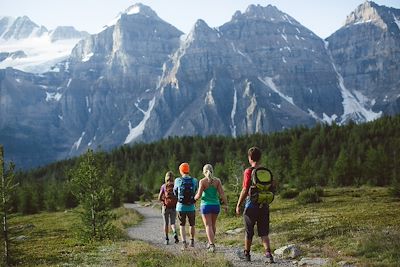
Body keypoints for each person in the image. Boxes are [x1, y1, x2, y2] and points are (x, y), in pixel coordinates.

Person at [235, 146, 275, 263]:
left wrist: (238, 205)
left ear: (249, 158)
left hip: (251, 205)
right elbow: (273, 185)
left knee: (249, 231)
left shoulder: (248, 171)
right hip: (264, 205)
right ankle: (268, 254)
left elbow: (245, 189)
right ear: (260, 157)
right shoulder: (266, 171)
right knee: (264, 232)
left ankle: (247, 254)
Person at [194, 164, 228, 253]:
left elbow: (199, 195)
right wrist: (226, 204)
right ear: (212, 171)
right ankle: (210, 243)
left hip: (205, 206)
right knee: (213, 225)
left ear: (203, 172)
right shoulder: (217, 181)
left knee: (208, 225)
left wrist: (194, 198)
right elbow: (222, 194)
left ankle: (212, 245)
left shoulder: (202, 181)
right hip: (216, 205)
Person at [174, 162, 198, 250]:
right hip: (191, 206)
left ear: (181, 171)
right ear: (188, 170)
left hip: (180, 206)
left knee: (182, 225)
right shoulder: (194, 180)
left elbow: (175, 192)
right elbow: (196, 191)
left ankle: (184, 244)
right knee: (192, 224)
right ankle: (192, 241)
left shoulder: (177, 180)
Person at [158, 171, 179, 245]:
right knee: (173, 223)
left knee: (166, 224)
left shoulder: (164, 186)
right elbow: (178, 196)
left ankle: (166, 239)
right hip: (173, 207)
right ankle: (174, 232)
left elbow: (159, 198)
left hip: (165, 207)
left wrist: (164, 201)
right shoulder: (175, 186)